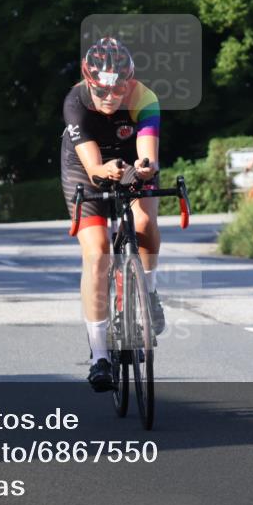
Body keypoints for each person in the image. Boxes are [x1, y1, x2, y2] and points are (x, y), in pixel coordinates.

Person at [60, 36, 164, 392]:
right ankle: (99, 356)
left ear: (129, 82)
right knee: (98, 254)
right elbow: (92, 167)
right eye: (101, 91)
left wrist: (145, 167)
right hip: (84, 164)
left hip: (128, 158)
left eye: (118, 90)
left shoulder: (145, 98)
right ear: (89, 83)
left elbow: (148, 151)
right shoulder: (75, 101)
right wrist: (103, 170)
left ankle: (148, 294)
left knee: (146, 221)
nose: (109, 98)